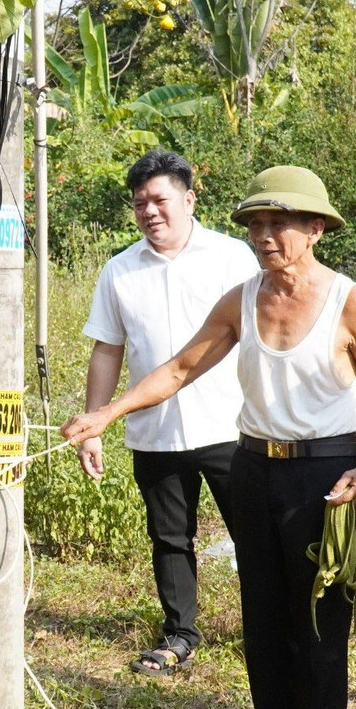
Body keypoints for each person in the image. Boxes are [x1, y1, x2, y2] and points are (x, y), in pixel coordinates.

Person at [63, 166, 356, 709]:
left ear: (316, 229)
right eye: (256, 224)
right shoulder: (241, 298)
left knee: (321, 615)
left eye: (281, 223)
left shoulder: (349, 303)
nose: (266, 235)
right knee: (264, 609)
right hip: (253, 466)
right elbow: (183, 366)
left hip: (325, 470)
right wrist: (106, 413)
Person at [79, 149, 260, 674]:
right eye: (140, 204)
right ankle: (180, 634)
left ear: (188, 199)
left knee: (253, 534)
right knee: (170, 538)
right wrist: (94, 425)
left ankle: (266, 627)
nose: (150, 211)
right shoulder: (119, 270)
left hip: (232, 425)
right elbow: (108, 349)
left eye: (160, 200)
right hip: (154, 431)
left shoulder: (231, 258)